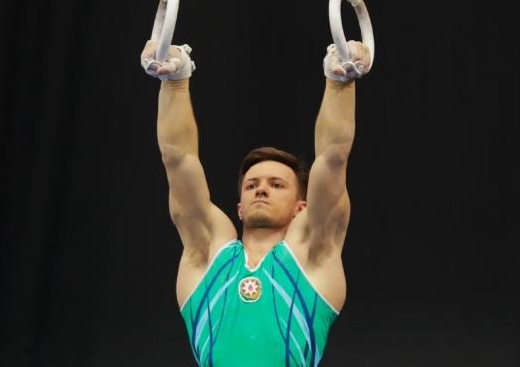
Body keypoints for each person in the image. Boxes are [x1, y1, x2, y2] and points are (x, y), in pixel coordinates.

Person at [140, 38, 370, 366]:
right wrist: (174, 82)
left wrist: (340, 82)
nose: (261, 190)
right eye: (251, 186)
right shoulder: (206, 255)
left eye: (276, 185)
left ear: (302, 207)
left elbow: (333, 158)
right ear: (239, 207)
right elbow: (178, 160)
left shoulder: (314, 257)